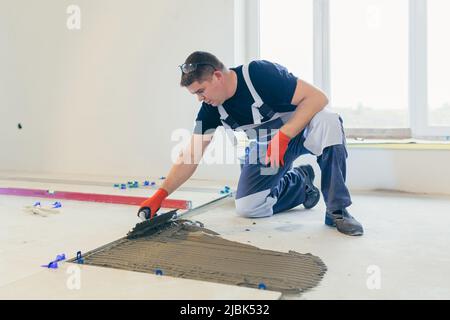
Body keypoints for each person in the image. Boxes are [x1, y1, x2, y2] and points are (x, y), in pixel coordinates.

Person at [139, 51, 363, 236]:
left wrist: (284, 136)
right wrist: (161, 194)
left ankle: (337, 210)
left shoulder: (259, 74)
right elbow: (191, 155)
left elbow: (318, 98)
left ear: (217, 76)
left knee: (329, 120)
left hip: (303, 129)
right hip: (268, 145)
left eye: (200, 90)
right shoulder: (211, 109)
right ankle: (301, 184)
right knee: (249, 206)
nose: (200, 98)